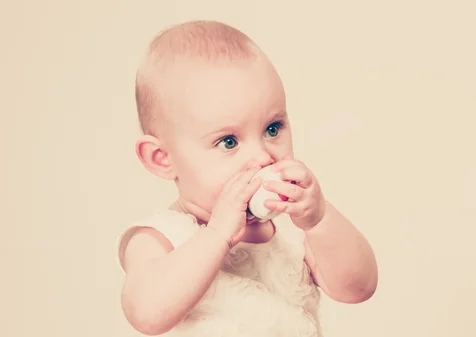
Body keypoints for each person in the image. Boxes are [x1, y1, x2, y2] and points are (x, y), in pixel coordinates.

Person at [116, 20, 378, 337]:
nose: (262, 157)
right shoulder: (159, 238)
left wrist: (319, 219)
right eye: (229, 142)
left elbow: (358, 288)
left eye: (273, 129)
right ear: (163, 159)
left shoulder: (291, 229)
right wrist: (217, 235)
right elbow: (146, 315)